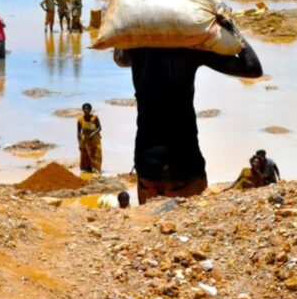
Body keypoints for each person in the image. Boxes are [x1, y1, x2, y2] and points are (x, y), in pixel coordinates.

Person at [113, 22, 263, 204]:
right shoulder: (191, 49)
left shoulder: (136, 51)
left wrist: (123, 28)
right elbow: (252, 68)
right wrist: (230, 27)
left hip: (146, 169)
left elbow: (119, 56)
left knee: (152, 229)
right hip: (184, 167)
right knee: (186, 229)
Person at [76, 103, 103, 174]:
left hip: (95, 139)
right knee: (85, 155)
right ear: (82, 110)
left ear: (90, 110)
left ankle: (96, 169)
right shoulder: (80, 120)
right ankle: (87, 169)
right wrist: (79, 144)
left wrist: (93, 134)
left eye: (88, 109)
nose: (86, 110)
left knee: (96, 154)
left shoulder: (95, 117)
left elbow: (99, 128)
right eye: (84, 109)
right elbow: (78, 133)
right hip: (85, 140)